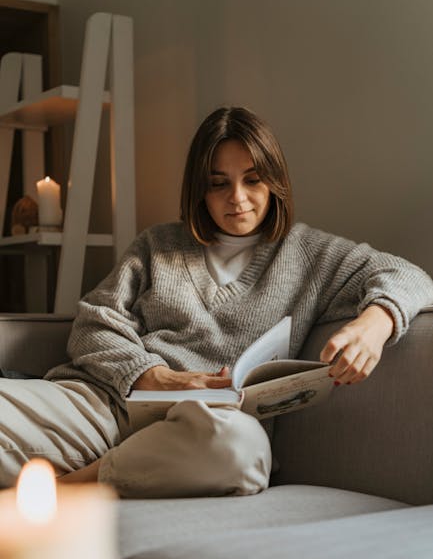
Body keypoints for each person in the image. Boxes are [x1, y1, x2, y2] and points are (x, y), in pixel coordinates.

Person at [1, 106, 432, 497]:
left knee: (242, 454)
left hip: (205, 429)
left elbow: (411, 277)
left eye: (253, 179)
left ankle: (72, 486)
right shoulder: (158, 244)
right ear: (199, 191)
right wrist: (159, 378)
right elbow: (94, 324)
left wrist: (374, 325)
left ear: (275, 181)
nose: (237, 198)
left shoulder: (311, 254)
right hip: (105, 406)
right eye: (218, 184)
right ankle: (116, 470)